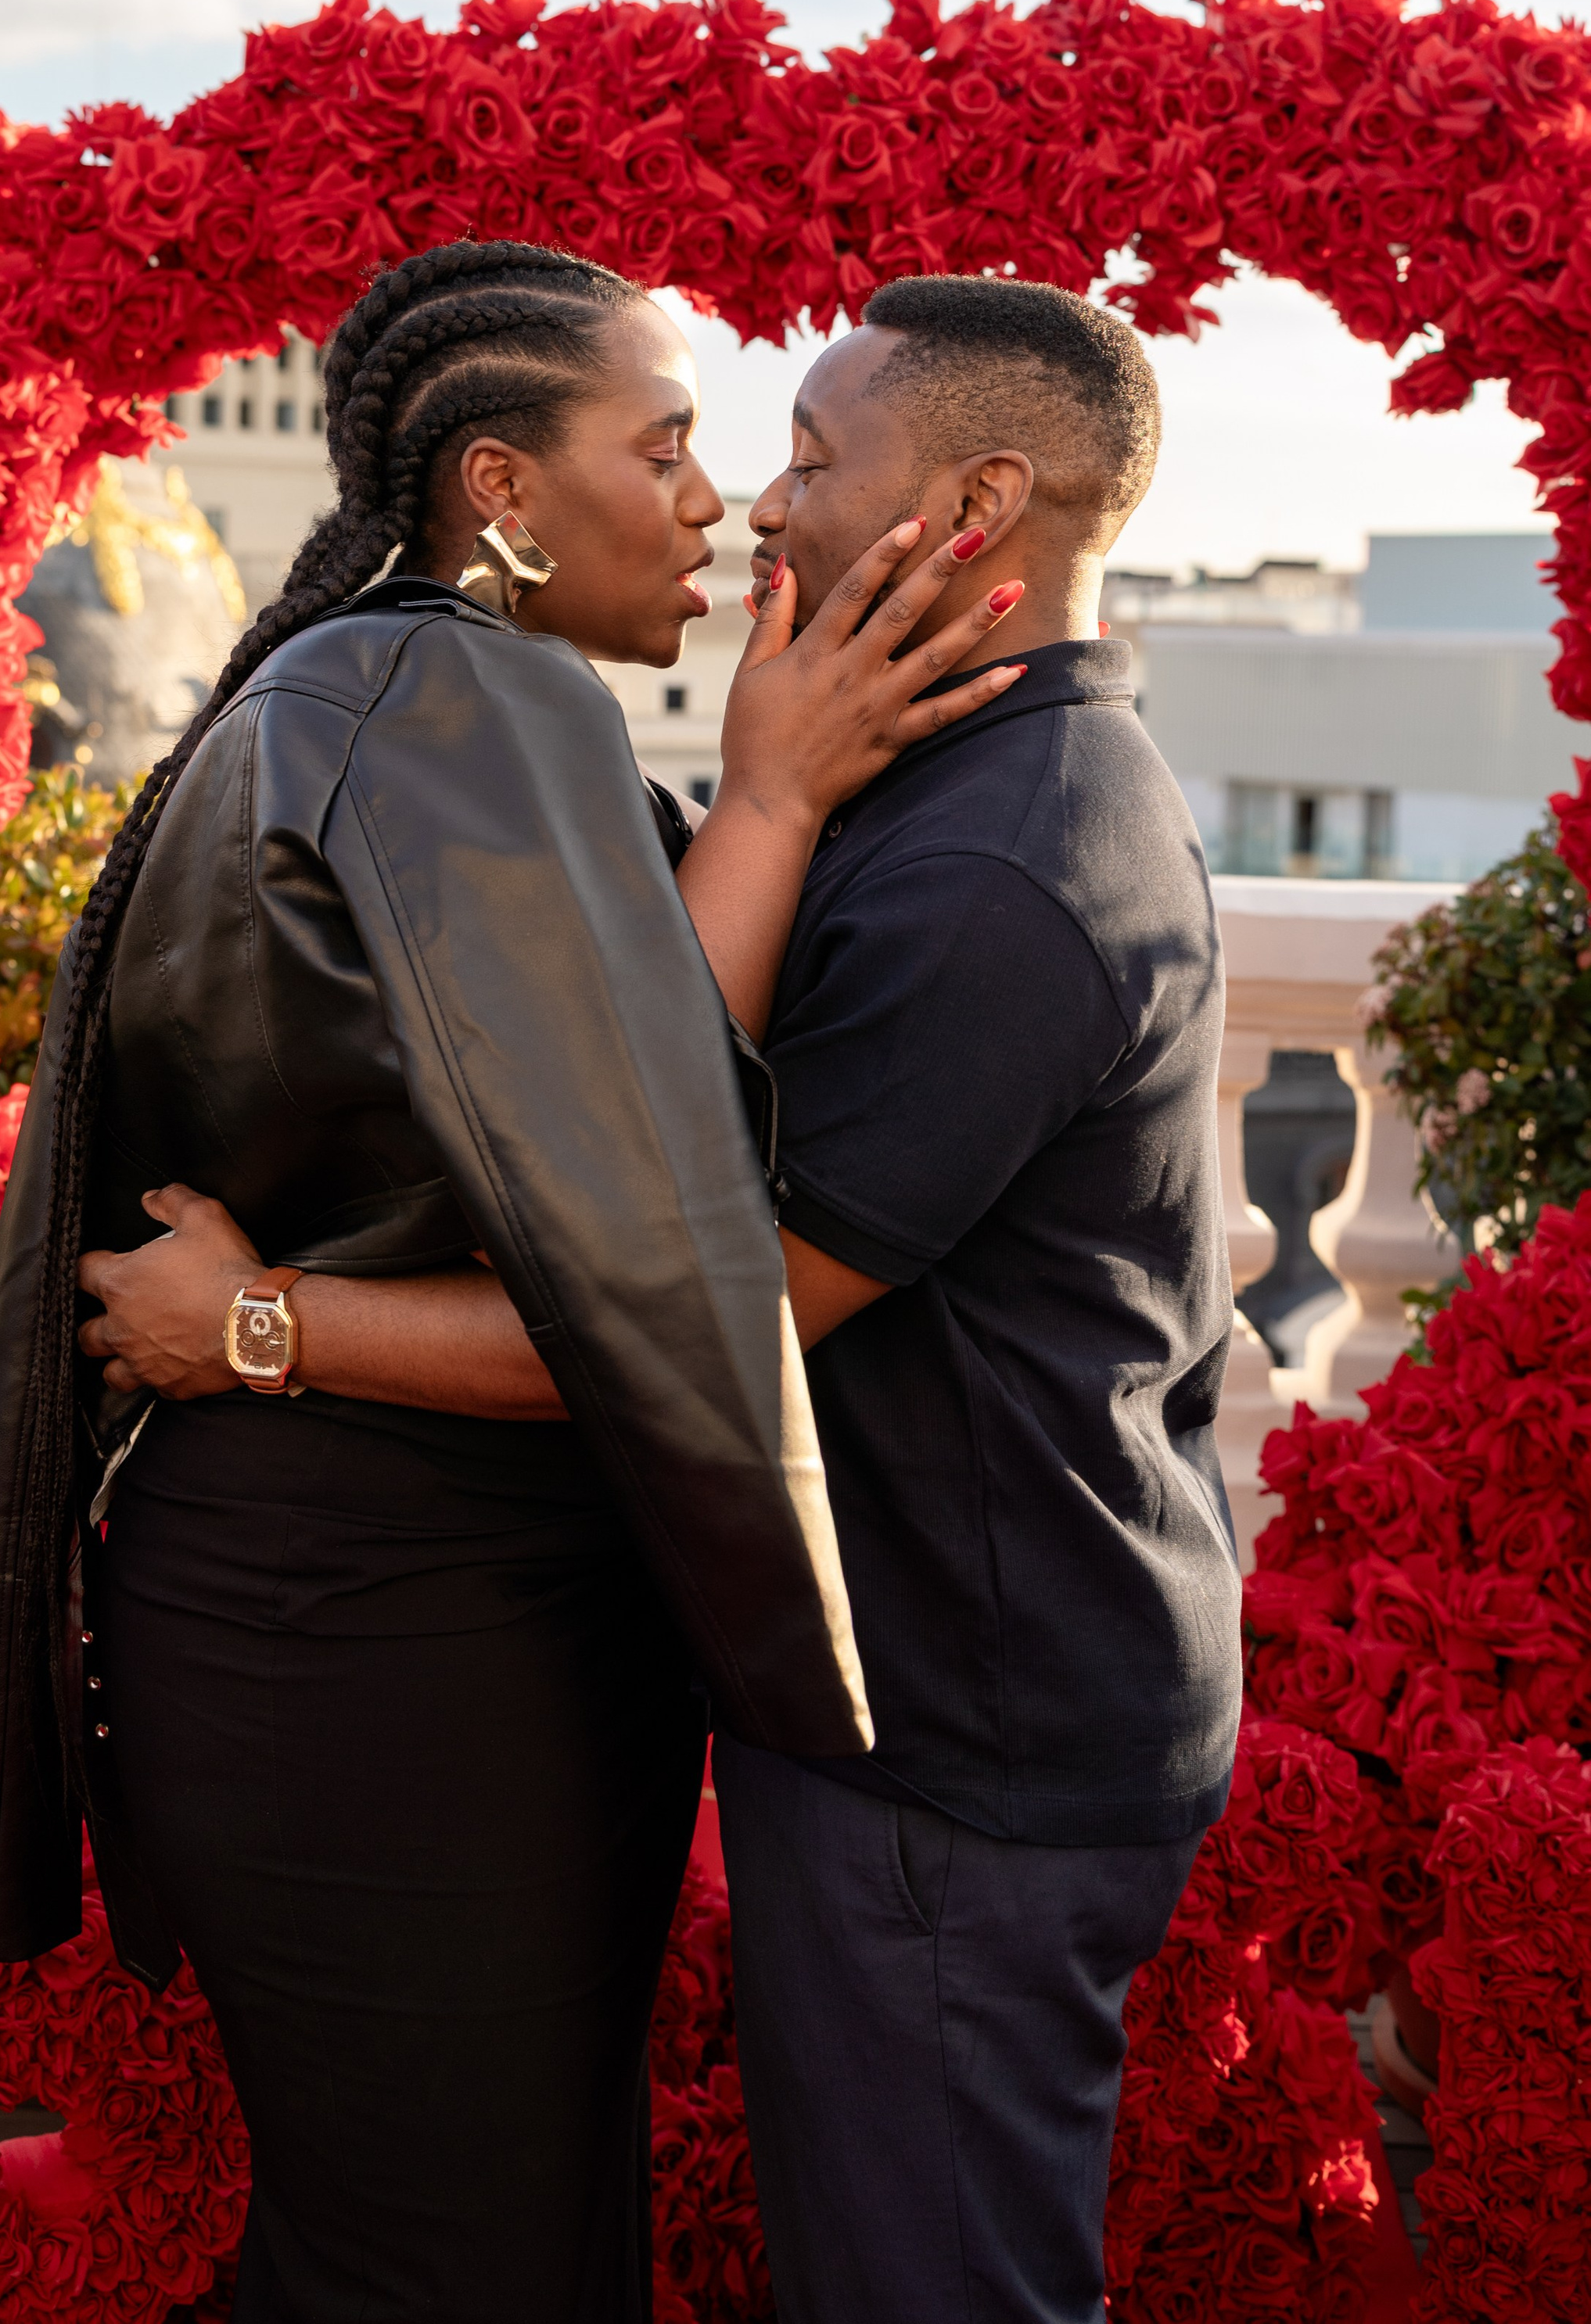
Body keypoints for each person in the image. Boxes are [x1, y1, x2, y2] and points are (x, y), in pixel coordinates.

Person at [0, 238, 1025, 2324]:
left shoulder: (379, 684)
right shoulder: (448, 691)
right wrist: (770, 795)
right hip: (379, 1638)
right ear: (500, 488)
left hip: (372, 1616)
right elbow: (627, 1225)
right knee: (450, 2271)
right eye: (667, 448)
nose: (717, 504)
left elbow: (553, 1105)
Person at [712, 274, 1244, 2324]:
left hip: (965, 1750)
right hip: (995, 1692)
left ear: (978, 503)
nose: (767, 505)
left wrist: (266, 1325)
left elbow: (707, 1319)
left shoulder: (996, 867)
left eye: (817, 459)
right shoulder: (966, 773)